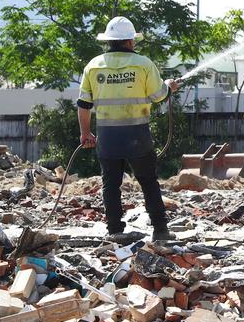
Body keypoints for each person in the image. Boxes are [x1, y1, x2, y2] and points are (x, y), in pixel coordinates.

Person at [76, 16, 178, 242]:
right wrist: (170, 88)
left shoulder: (93, 66)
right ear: (130, 41)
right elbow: (158, 95)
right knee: (148, 181)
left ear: (109, 41)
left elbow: (83, 105)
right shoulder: (143, 64)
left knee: (110, 184)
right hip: (137, 135)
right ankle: (160, 230)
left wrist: (85, 133)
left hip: (108, 136)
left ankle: (114, 230)